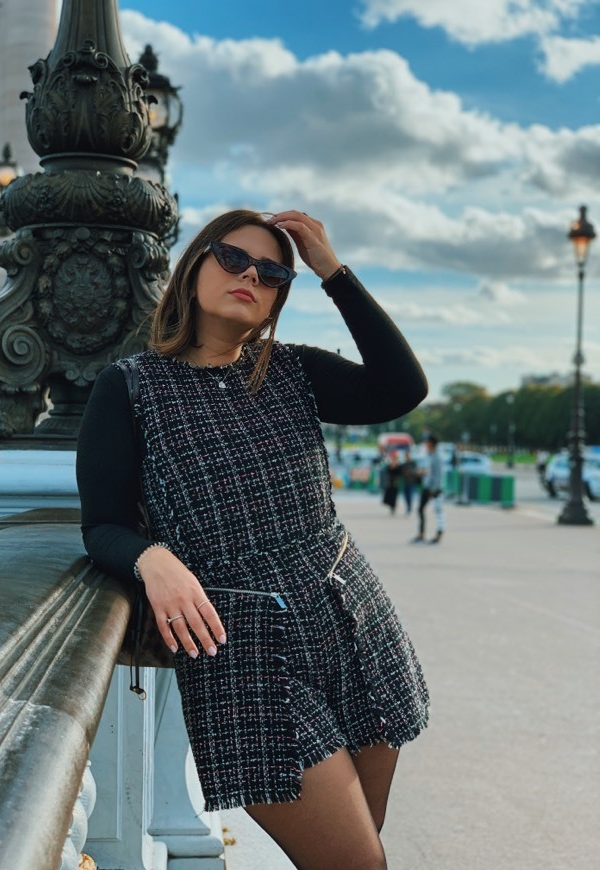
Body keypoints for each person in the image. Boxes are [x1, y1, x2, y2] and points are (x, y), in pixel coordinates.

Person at [77, 209, 430, 870]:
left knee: (363, 841)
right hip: (244, 652)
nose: (250, 276)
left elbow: (401, 388)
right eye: (233, 258)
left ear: (277, 298)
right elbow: (102, 525)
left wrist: (333, 270)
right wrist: (152, 558)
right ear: (195, 266)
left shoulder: (295, 371)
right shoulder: (129, 388)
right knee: (357, 861)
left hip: (352, 621)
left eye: (271, 273)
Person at [413, 434, 445, 544]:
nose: (425, 444)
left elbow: (438, 475)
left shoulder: (437, 457)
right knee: (420, 509)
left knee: (438, 511)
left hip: (435, 489)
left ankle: (439, 534)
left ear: (431, 444)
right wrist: (421, 473)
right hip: (427, 487)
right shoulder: (429, 455)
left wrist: (434, 489)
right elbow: (429, 471)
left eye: (427, 442)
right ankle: (421, 534)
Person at [380, 450, 402, 514]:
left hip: (395, 482)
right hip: (389, 482)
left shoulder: (399, 465)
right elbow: (387, 471)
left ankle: (393, 507)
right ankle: (391, 506)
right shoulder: (389, 465)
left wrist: (395, 466)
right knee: (389, 495)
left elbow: (399, 473)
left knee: (394, 496)